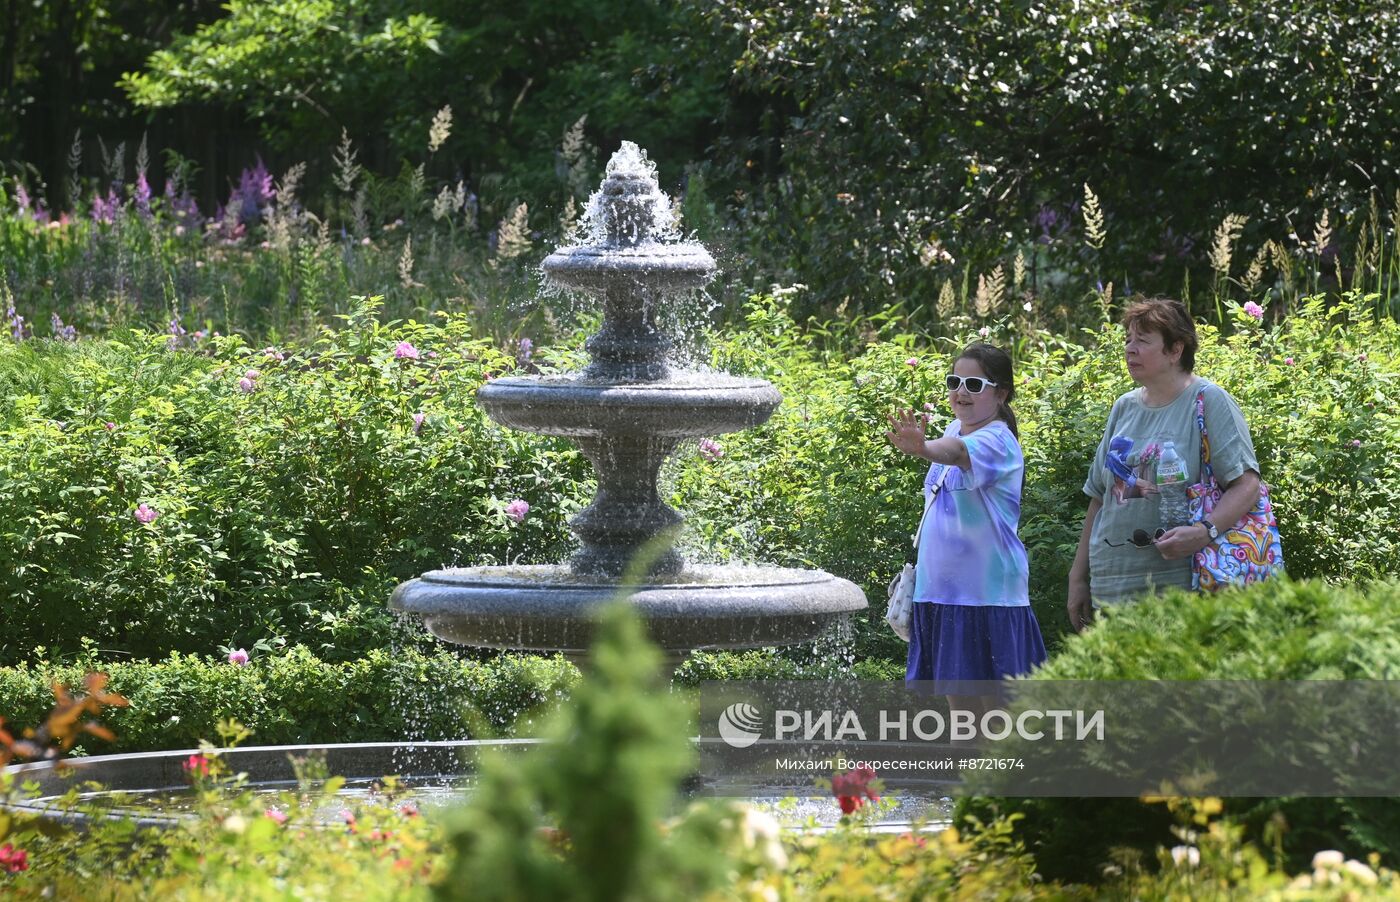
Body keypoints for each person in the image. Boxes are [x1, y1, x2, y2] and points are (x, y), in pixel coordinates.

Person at [1067, 296, 1262, 630]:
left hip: (1182, 592)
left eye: (1142, 341)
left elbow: (1247, 487)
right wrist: (1078, 576)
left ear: (1176, 350)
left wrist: (1204, 532)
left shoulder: (1208, 400)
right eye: (1128, 340)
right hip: (1111, 590)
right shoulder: (1124, 407)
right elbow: (1100, 497)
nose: (1130, 349)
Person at [886, 343, 1047, 716]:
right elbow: (951, 444)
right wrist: (929, 445)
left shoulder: (998, 440)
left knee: (997, 722)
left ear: (1000, 392)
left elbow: (956, 453)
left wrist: (923, 447)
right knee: (962, 722)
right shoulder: (955, 426)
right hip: (942, 596)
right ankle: (960, 777)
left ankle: (1003, 777)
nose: (961, 392)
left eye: (974, 384)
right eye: (954, 381)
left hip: (987, 599)